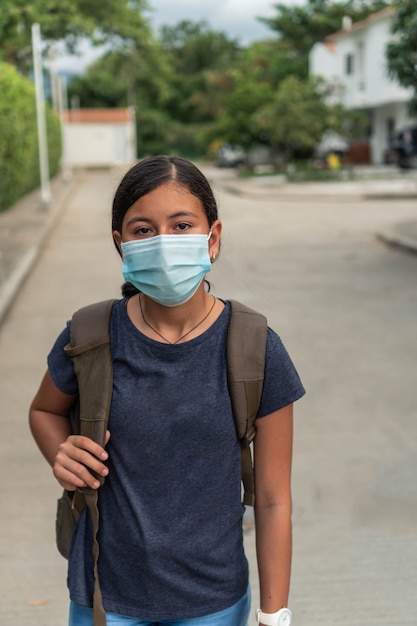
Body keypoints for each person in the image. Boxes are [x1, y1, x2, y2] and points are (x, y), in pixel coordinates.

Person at [29, 155, 305, 626]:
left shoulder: (255, 347)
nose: (162, 242)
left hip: (213, 604)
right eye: (142, 230)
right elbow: (44, 411)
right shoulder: (90, 335)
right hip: (104, 596)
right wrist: (61, 453)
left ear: (211, 238)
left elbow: (275, 498)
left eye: (181, 225)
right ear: (120, 244)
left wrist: (274, 614)